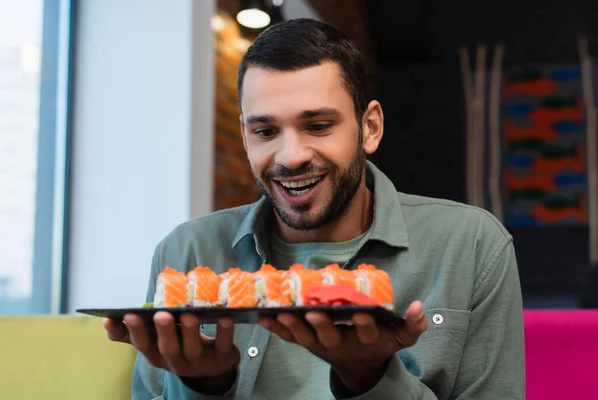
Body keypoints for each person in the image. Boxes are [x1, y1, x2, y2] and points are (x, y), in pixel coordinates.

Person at [103, 18, 525, 400]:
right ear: (246, 139)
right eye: (266, 131)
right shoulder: (185, 252)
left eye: (318, 126)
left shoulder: (472, 247)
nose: (291, 156)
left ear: (370, 127)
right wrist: (203, 387)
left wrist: (372, 380)